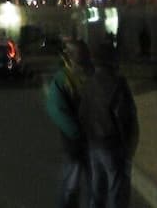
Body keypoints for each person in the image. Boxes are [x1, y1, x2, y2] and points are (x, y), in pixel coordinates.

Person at [78, 41, 138, 208]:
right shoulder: (117, 84)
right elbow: (124, 117)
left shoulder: (89, 84)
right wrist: (128, 146)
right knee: (116, 193)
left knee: (97, 192)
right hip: (113, 145)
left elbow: (83, 114)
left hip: (94, 144)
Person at [45, 39, 94, 208]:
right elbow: (57, 110)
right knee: (74, 184)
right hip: (78, 141)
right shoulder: (63, 79)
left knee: (87, 184)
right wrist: (78, 133)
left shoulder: (88, 75)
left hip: (86, 139)